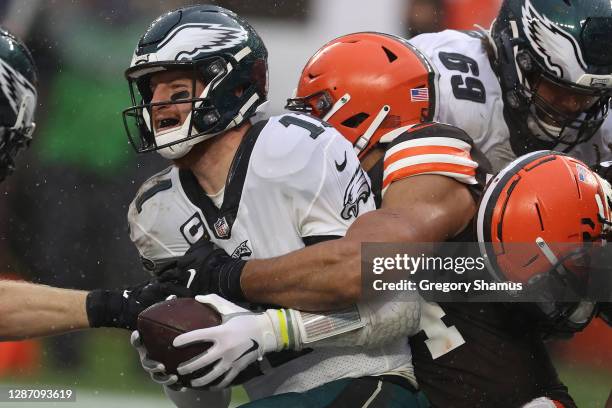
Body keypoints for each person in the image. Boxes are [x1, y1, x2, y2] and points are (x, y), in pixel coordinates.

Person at [147, 32, 611, 408]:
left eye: (313, 108)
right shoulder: (344, 196)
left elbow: (366, 271)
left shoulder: (420, 155)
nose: (303, 123)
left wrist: (226, 278)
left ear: (367, 108)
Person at [123, 5, 426, 408]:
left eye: (177, 90)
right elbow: (209, 403)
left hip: (369, 380)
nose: (158, 108)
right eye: (150, 92)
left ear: (231, 86)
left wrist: (269, 331)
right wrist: (179, 362)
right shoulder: (156, 211)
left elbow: (397, 307)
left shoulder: (296, 148)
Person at [407, 0, 612, 172]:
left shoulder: (605, 129)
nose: (573, 105)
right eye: (560, 89)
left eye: (588, 95)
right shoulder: (437, 74)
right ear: (517, 61)